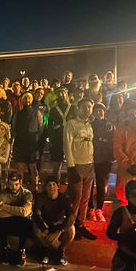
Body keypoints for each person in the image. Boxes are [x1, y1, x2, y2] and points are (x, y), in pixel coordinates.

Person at [64, 98, 97, 240]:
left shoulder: (90, 125)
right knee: (76, 199)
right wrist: (71, 167)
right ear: (79, 108)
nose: (88, 109)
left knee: (85, 198)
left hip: (89, 164)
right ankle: (69, 226)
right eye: (85, 106)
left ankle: (80, 225)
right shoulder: (71, 124)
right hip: (76, 165)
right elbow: (66, 145)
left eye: (90, 107)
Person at [0, 172, 34, 266]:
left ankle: (21, 250)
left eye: (16, 184)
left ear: (20, 183)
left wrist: (5, 207)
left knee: (25, 221)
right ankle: (4, 248)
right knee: (0, 221)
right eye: (11, 184)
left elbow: (25, 212)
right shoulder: (4, 193)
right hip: (9, 221)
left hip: (21, 222)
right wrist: (17, 212)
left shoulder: (26, 194)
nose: (13, 187)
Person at [33, 177, 75, 265]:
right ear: (46, 187)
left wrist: (60, 230)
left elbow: (71, 215)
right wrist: (44, 228)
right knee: (36, 227)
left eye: (53, 184)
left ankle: (61, 250)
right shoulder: (41, 197)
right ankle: (46, 250)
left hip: (58, 224)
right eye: (49, 185)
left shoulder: (64, 198)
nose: (51, 187)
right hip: (45, 224)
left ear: (57, 187)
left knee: (72, 229)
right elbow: (37, 214)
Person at [12, 92, 43, 189]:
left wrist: (36, 138)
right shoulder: (18, 114)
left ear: (32, 100)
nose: (27, 100)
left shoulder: (37, 113)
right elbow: (13, 128)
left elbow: (41, 128)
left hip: (32, 143)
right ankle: (19, 187)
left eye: (29, 98)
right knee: (20, 167)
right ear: (22, 100)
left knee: (33, 166)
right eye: (25, 98)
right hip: (20, 142)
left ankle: (36, 187)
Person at [88, 103, 113, 222]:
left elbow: (112, 142)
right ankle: (90, 208)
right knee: (89, 184)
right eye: (96, 111)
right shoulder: (90, 125)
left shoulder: (109, 126)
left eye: (101, 110)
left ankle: (99, 209)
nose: (99, 113)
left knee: (101, 184)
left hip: (104, 159)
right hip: (90, 157)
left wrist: (111, 157)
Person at [47, 88, 75, 183]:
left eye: (63, 93)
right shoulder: (53, 110)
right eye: (59, 93)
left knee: (71, 162)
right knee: (56, 163)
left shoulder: (73, 108)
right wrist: (51, 138)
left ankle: (71, 183)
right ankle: (57, 184)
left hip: (70, 138)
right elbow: (50, 125)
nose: (61, 95)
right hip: (57, 138)